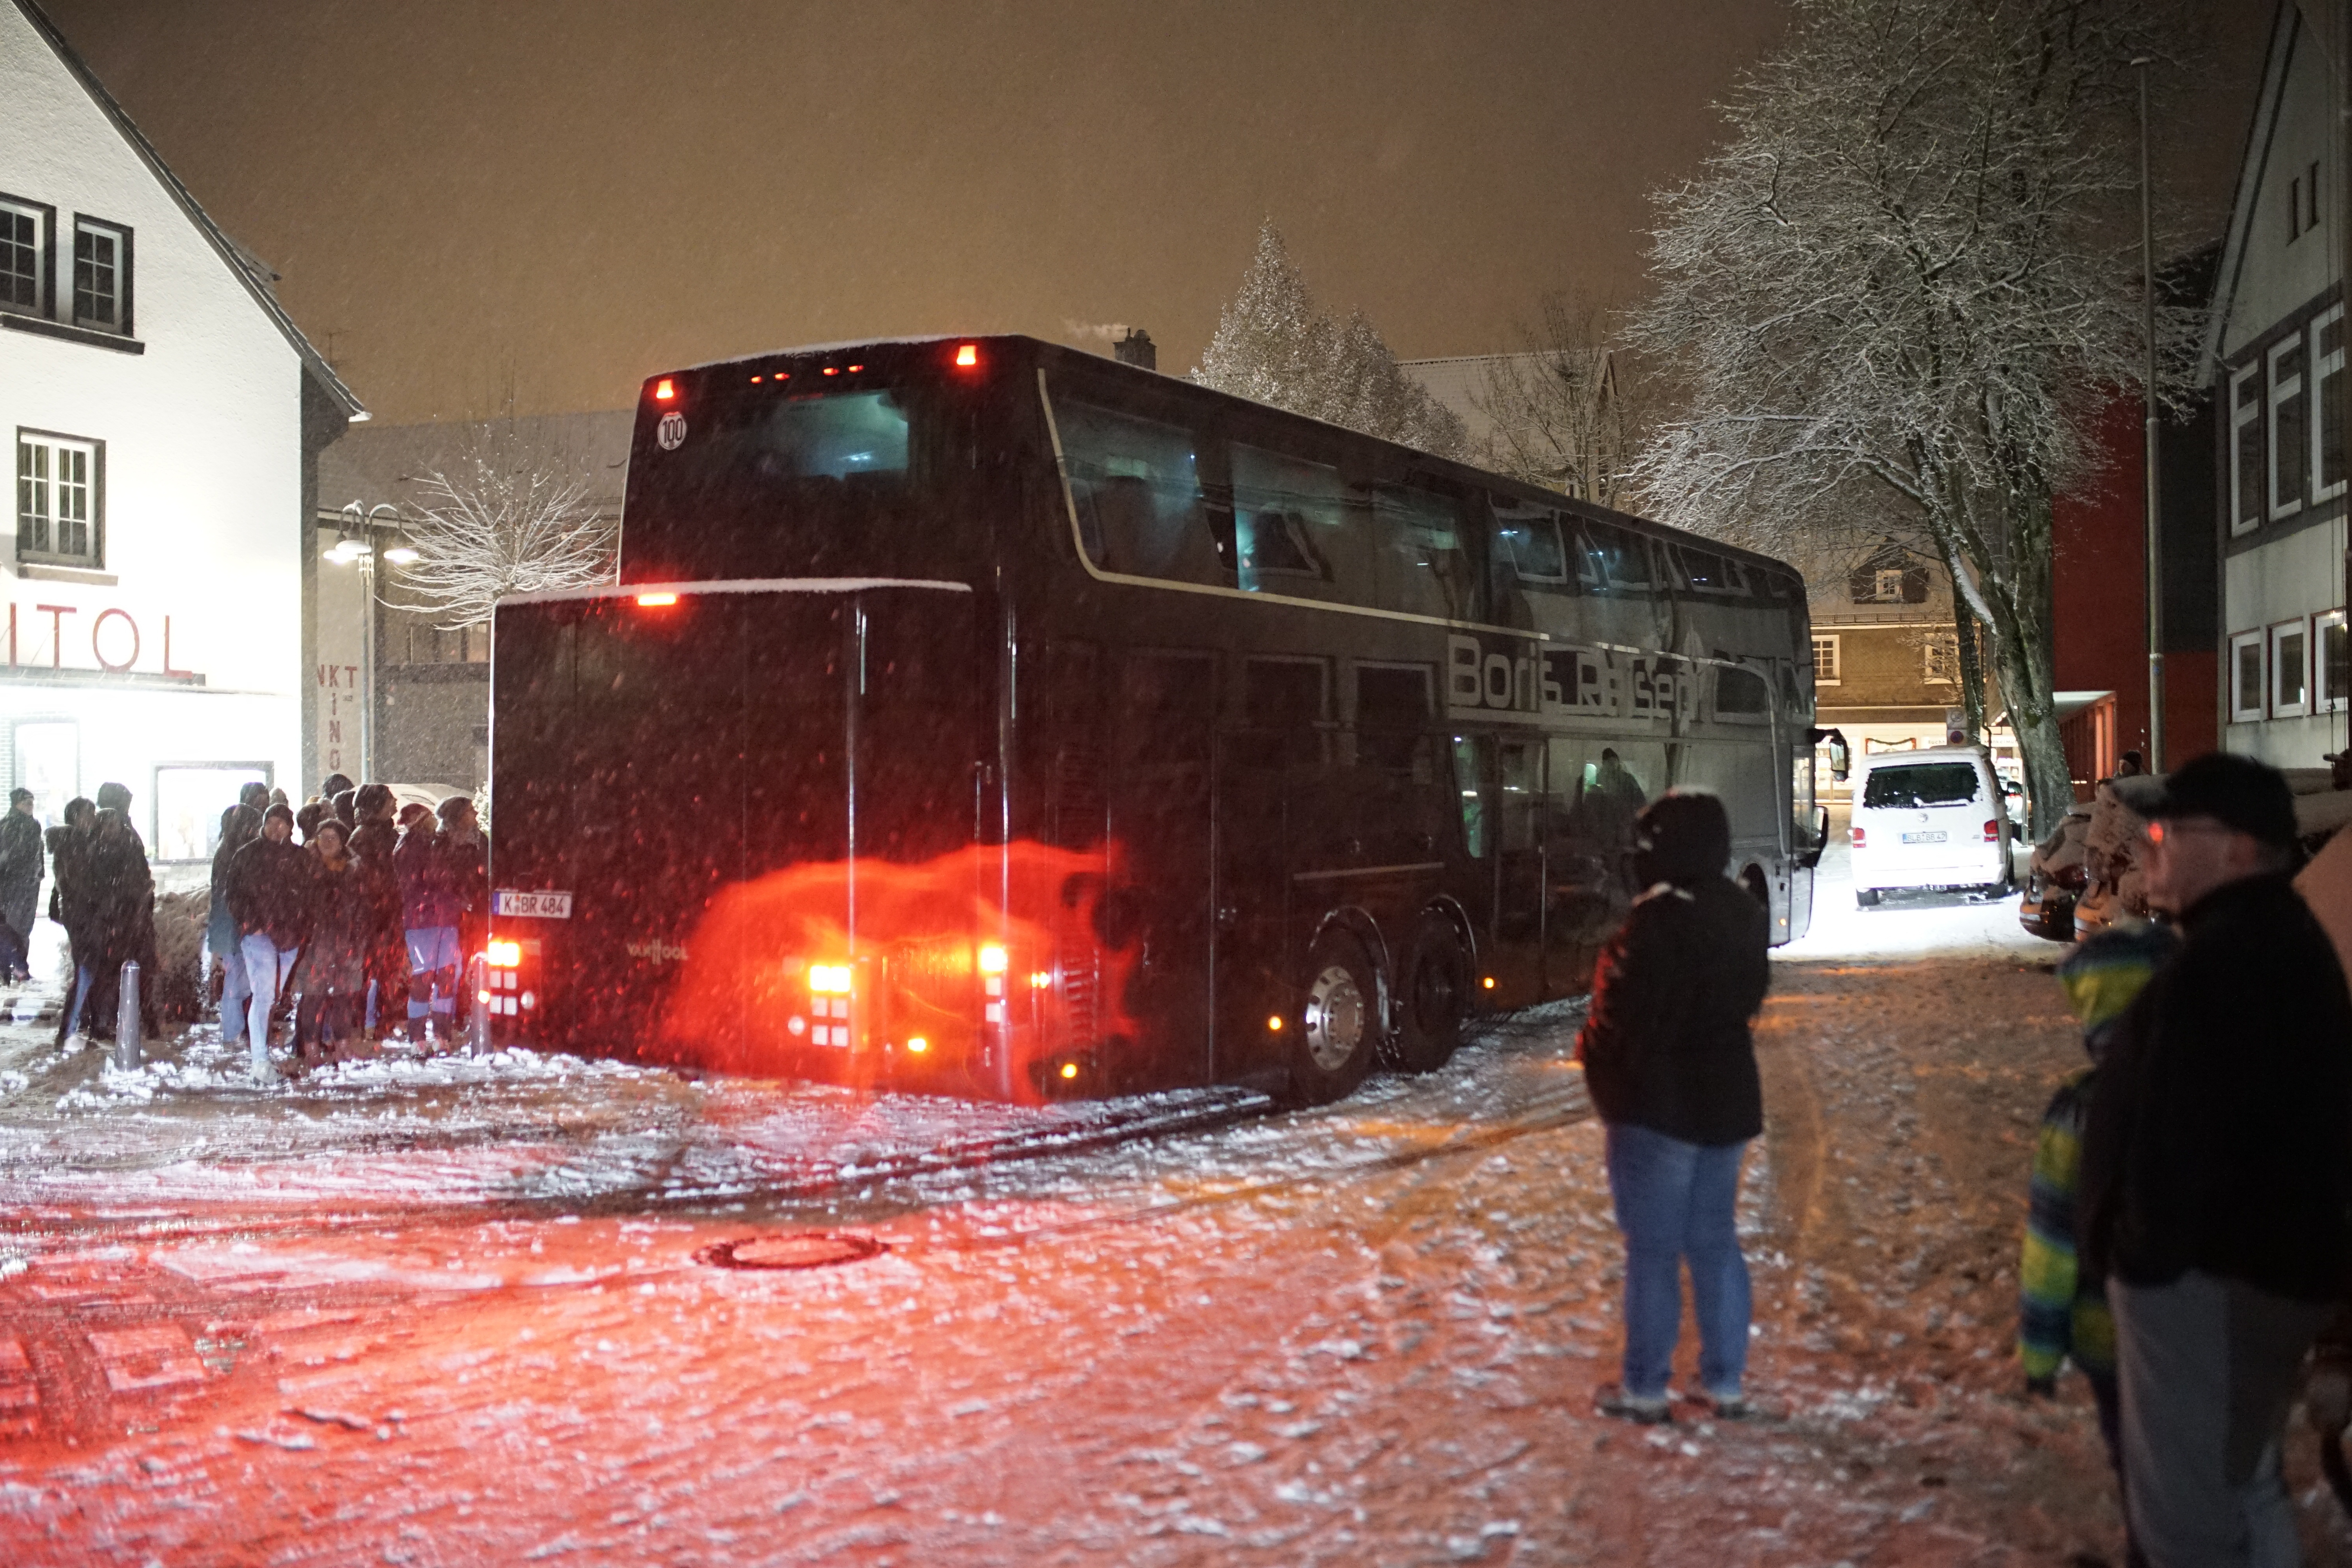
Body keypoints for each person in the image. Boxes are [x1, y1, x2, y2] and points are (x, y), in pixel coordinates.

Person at [2082, 753, 2352, 1565]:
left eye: (2167, 830)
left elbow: (2187, 1135)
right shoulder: (2265, 938)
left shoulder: (2232, 959)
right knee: (2241, 1476)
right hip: (2247, 1270)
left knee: (2186, 1518)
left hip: (2205, 1282)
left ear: (2238, 849)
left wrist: (2141, 1257)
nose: (2147, 845)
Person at [1575, 791, 1771, 1423]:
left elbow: (1619, 1021)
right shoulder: (1742, 911)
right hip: (1727, 1101)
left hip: (1657, 1109)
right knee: (1715, 1240)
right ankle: (1724, 1382)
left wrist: (1602, 1070)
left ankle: (1645, 1388)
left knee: (1654, 1250)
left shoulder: (1655, 925)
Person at [2020, 925, 2174, 1568]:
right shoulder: (2209, 1098)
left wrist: (2039, 1349)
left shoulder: (2080, 1112)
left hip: (2107, 1333)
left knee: (2140, 1468)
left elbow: (2053, 1242)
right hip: (2199, 1325)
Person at [225, 803, 310, 1082]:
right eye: (271, 822)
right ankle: (259, 1061)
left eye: (282, 823)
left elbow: (310, 896)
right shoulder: (247, 855)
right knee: (264, 996)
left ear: (290, 827)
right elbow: (234, 895)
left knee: (271, 996)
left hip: (290, 936)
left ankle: (261, 1055)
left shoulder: (300, 858)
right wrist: (253, 925)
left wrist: (301, 927)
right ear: (263, 825)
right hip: (259, 935)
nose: (276, 828)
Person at [292, 818, 370, 1066]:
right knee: (313, 996)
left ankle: (343, 1044)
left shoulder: (353, 870)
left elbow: (361, 907)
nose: (326, 842)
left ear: (342, 842)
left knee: (344, 997)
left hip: (346, 942)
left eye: (332, 838)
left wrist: (359, 937)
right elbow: (300, 908)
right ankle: (311, 1047)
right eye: (322, 837)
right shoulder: (306, 868)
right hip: (316, 944)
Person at [80, 805, 156, 1041]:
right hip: (111, 922)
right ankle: (104, 1022)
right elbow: (95, 889)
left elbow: (142, 881)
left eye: (112, 825)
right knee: (109, 975)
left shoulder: (129, 847)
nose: (109, 830)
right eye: (105, 826)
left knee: (142, 971)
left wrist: (141, 907)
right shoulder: (95, 850)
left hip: (133, 919)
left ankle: (148, 1020)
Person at [394, 803, 462, 1043]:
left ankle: (441, 1033)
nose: (435, 821)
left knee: (446, 975)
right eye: (429, 817)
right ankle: (418, 1036)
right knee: (424, 978)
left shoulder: (433, 845)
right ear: (420, 820)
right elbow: (417, 884)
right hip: (423, 921)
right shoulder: (410, 848)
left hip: (443, 918)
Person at [348, 784, 408, 1039]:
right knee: (369, 973)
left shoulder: (388, 835)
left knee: (388, 972)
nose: (395, 804)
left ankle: (383, 1021)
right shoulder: (363, 838)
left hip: (388, 916)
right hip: (373, 918)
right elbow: (364, 882)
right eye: (389, 801)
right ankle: (363, 1023)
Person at [207, 803, 263, 1047]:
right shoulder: (235, 853)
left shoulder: (227, 849)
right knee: (236, 977)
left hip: (228, 923)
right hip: (233, 924)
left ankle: (234, 1029)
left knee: (238, 976)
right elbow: (236, 893)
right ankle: (233, 1031)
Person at [47, 798, 97, 1044]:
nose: (93, 818)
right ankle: (67, 1029)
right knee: (85, 970)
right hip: (82, 915)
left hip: (78, 913)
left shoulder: (73, 843)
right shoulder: (75, 844)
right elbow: (79, 884)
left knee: (88, 969)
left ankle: (78, 1023)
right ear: (75, 817)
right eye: (89, 814)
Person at [439, 795, 489, 1025]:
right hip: (453, 912)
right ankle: (453, 1011)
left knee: (475, 960)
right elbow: (443, 876)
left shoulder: (482, 841)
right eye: (471, 811)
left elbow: (487, 871)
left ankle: (473, 1008)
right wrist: (458, 897)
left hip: (477, 910)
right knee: (453, 963)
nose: (476, 816)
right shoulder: (442, 842)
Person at [0, 788, 44, 984]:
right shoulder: (13, 826)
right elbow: (11, 857)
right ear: (16, 804)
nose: (30, 806)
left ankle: (16, 968)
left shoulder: (30, 825)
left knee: (19, 929)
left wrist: (37, 875)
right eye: (26, 802)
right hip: (16, 886)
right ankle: (14, 968)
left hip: (24, 885)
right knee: (14, 929)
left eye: (32, 802)